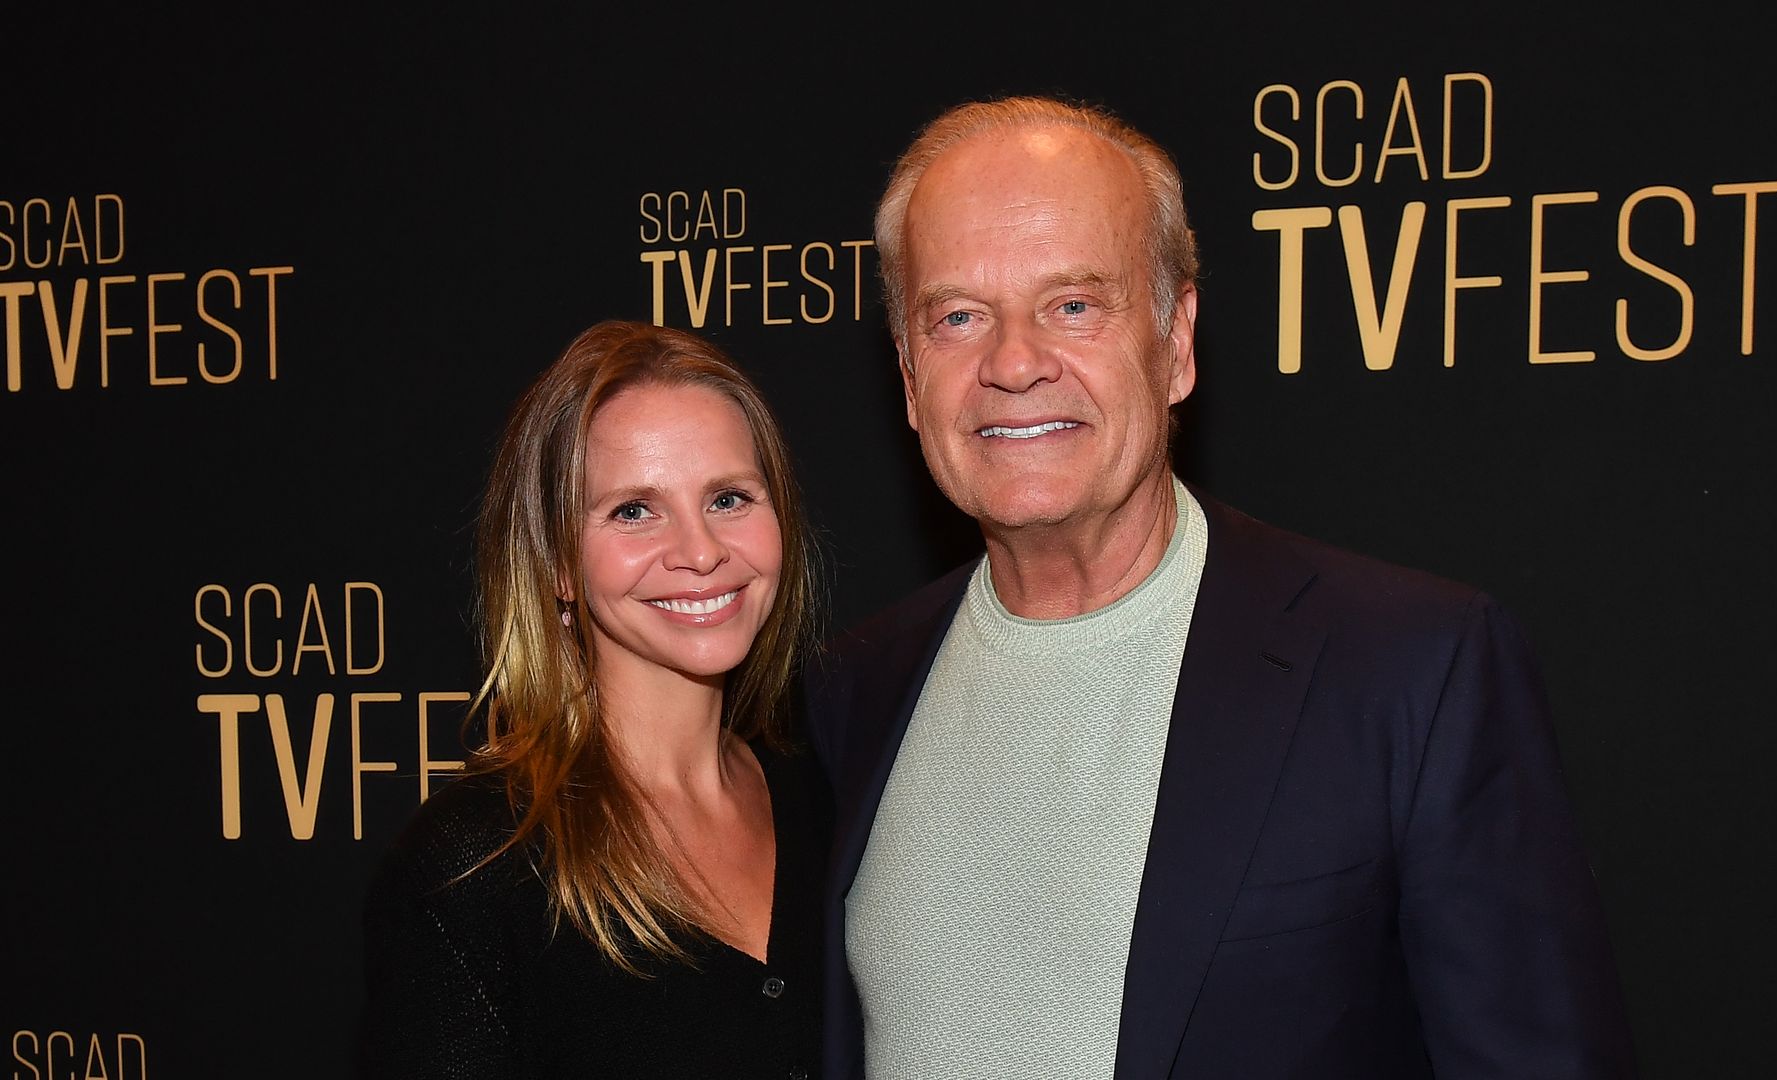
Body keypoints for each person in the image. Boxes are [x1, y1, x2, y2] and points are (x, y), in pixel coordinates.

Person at [806, 97, 1637, 1078]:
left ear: (1176, 342)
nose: (1014, 362)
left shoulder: (1412, 672)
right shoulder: (850, 694)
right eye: (957, 317)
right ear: (910, 376)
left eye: (1074, 306)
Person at [360, 321, 825, 1079]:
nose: (701, 551)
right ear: (557, 562)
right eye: (634, 510)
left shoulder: (833, 799)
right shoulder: (476, 870)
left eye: (729, 498)